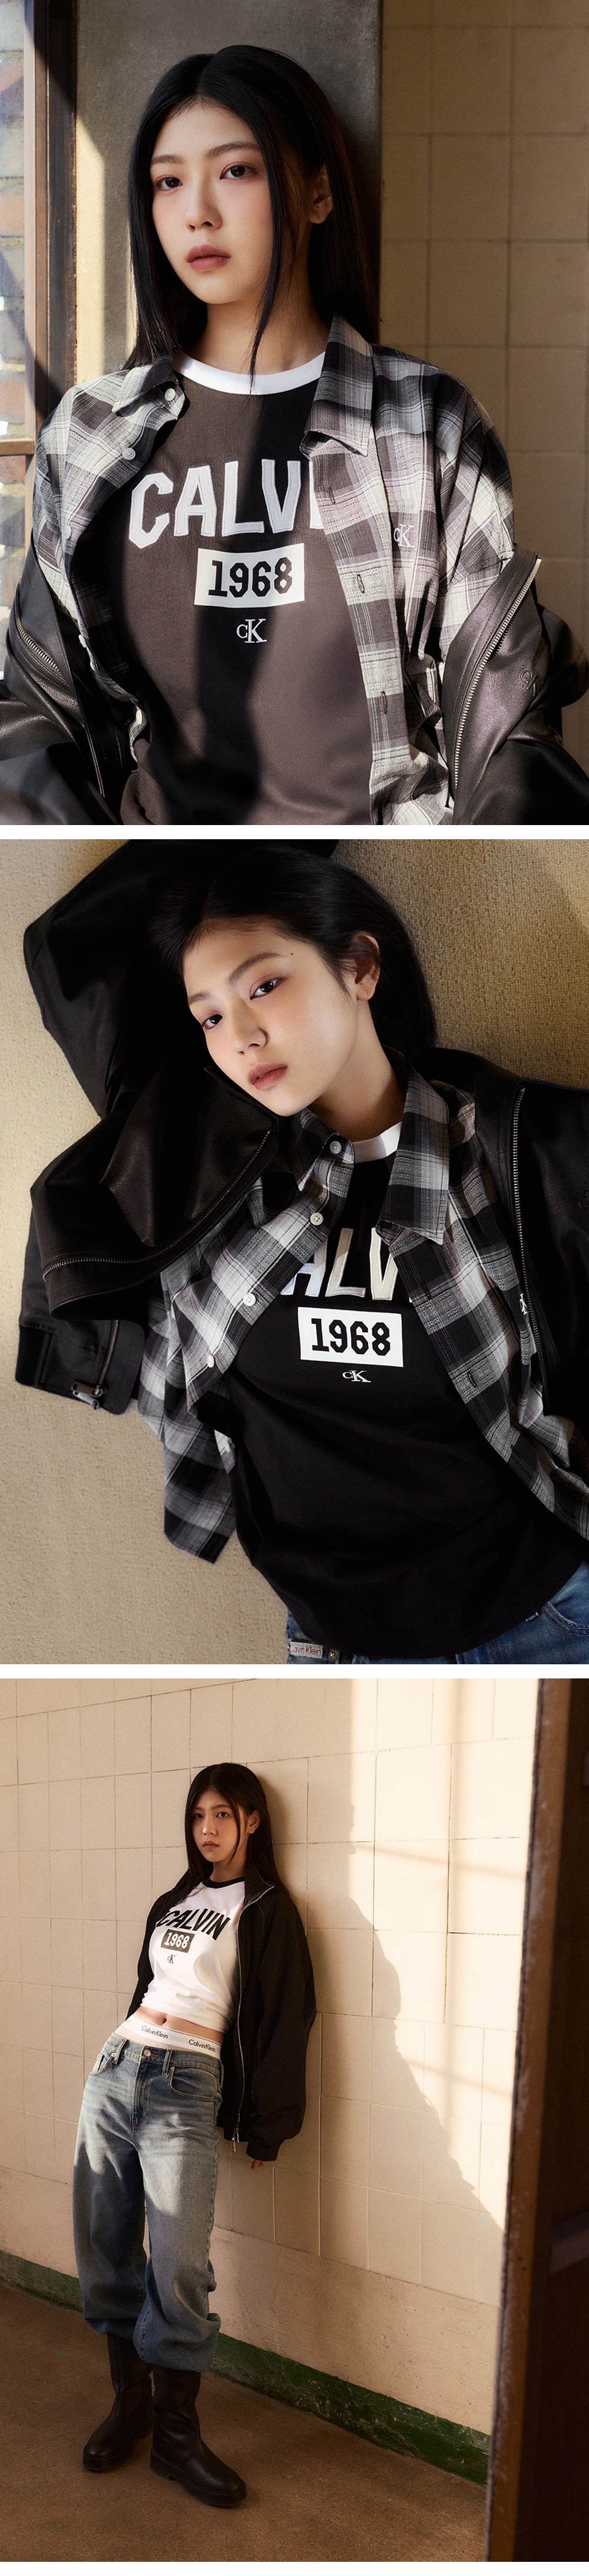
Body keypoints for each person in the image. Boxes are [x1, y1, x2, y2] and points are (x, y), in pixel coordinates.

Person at [17, 842, 589, 1664]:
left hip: (546, 1620)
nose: (242, 1037)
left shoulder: (513, 1150)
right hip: (331, 1644)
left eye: (264, 986)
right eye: (210, 1016)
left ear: (360, 966)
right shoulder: (204, 1190)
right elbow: (71, 953)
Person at [1, 45, 588, 824]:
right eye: (167, 182)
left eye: (235, 171)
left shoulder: (424, 422)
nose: (196, 211)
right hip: (160, 881)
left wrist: (467, 883)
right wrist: (84, 882)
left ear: (317, 192)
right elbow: (41, 711)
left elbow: (504, 714)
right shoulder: (91, 436)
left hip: (370, 878)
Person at [73, 1760, 315, 2507]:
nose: (207, 1830)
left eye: (222, 1815)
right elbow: (145, 1989)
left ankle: (177, 2438)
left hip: (187, 2081)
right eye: (197, 1817)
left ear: (253, 1821)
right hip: (117, 2067)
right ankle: (133, 2406)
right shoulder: (173, 1900)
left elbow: (288, 2018)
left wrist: (267, 2125)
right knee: (105, 2247)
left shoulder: (268, 1908)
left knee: (178, 2263)